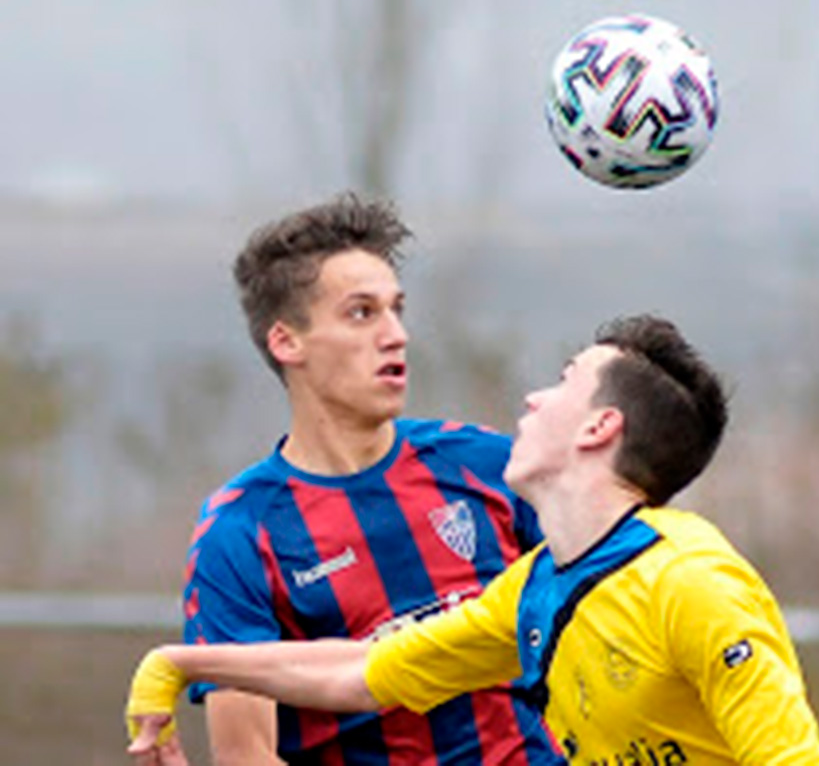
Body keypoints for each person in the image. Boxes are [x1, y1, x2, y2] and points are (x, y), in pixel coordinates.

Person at [127, 314, 819, 765]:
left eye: (564, 383)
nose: (533, 399)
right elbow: (359, 674)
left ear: (599, 428)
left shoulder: (692, 581)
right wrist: (181, 662)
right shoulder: (534, 590)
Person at [165, 193, 558, 766]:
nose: (395, 333)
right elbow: (247, 755)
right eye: (361, 313)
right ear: (286, 341)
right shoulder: (240, 533)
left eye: (397, 309)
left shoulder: (488, 466)